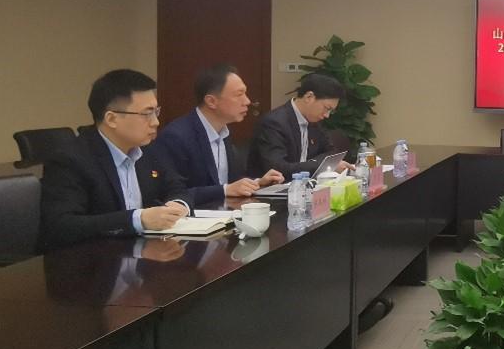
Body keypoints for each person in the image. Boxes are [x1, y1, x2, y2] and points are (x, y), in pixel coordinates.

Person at [39, 69, 191, 251]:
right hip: (92, 260)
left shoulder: (148, 150)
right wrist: (137, 220)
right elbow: (62, 226)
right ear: (111, 119)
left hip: (144, 254)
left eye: (156, 112)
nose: (156, 122)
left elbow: (176, 186)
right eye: (147, 114)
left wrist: (177, 205)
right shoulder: (70, 159)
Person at [148, 64, 284, 207]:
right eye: (239, 95)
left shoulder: (223, 132)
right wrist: (224, 190)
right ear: (211, 101)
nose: (247, 101)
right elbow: (173, 194)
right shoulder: (176, 137)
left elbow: (231, 183)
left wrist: (257, 183)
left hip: (224, 213)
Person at [248, 73, 349, 178]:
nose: (327, 115)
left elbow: (331, 153)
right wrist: (320, 165)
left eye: (331, 111)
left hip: (303, 184)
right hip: (272, 186)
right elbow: (278, 169)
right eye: (327, 108)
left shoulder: (314, 121)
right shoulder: (274, 122)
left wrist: (318, 164)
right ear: (309, 97)